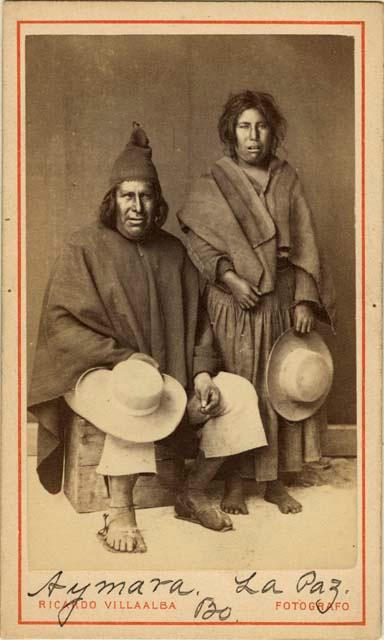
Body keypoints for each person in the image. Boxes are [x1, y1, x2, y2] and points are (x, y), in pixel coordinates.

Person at [28, 123, 267, 553]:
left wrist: (201, 376)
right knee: (136, 389)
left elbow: (201, 328)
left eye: (145, 196)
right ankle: (121, 510)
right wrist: (124, 358)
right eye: (127, 196)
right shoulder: (82, 248)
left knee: (240, 393)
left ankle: (192, 492)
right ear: (112, 200)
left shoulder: (175, 252)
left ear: (157, 202)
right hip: (94, 377)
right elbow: (61, 329)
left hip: (170, 379)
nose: (136, 207)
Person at [178, 90, 336, 516]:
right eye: (244, 126)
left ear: (272, 132)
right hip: (233, 300)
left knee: (277, 388)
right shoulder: (214, 184)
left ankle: (273, 481)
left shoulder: (287, 179)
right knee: (240, 387)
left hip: (280, 299)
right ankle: (233, 480)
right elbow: (198, 242)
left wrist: (304, 299)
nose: (253, 136)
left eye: (261, 126)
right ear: (231, 132)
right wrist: (231, 278)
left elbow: (306, 243)